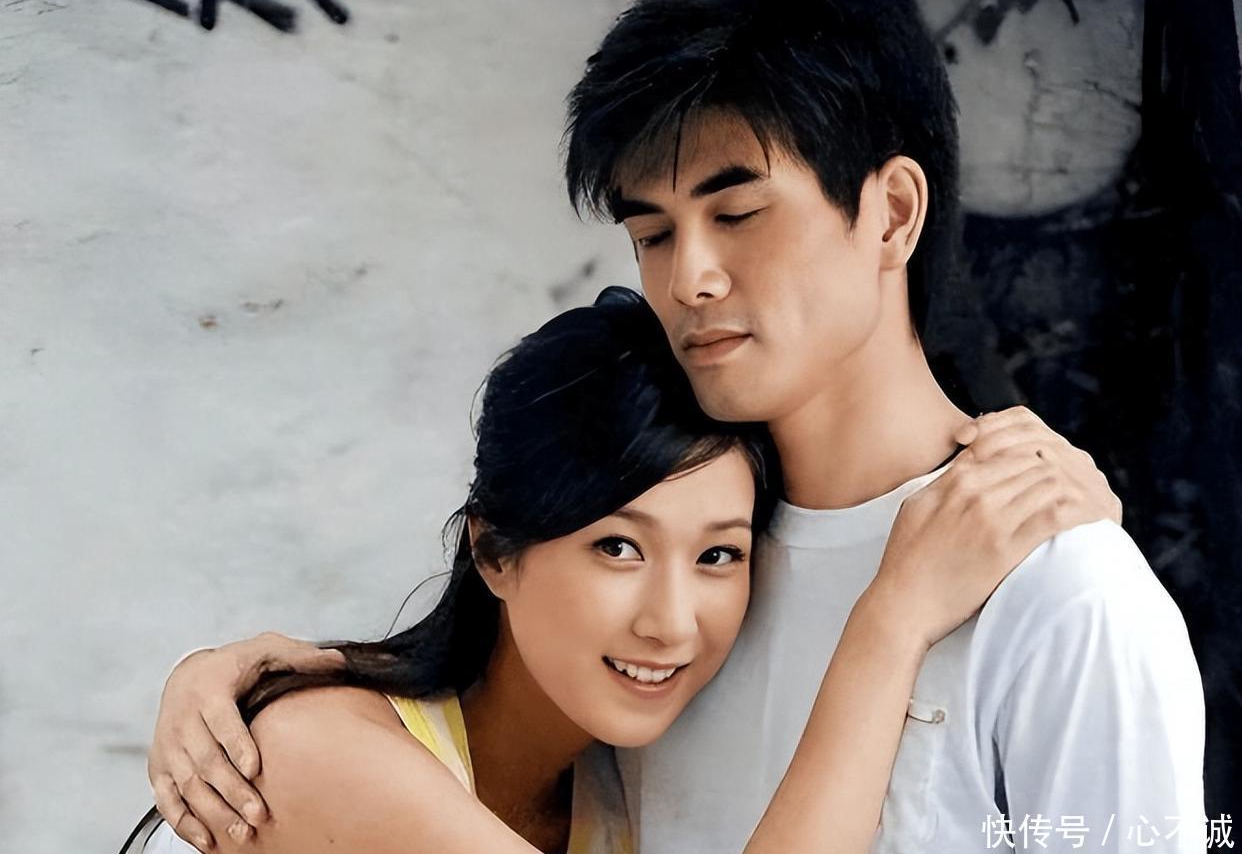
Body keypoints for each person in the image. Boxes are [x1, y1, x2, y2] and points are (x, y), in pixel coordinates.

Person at [147, 0, 1206, 851]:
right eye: (652, 234)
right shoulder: (692, 573)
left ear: (891, 213)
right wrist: (256, 686)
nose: (689, 278)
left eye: (737, 213)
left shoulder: (1061, 597)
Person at [127, 287, 1113, 854]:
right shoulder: (316, 752)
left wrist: (1057, 513)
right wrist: (889, 624)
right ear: (494, 551)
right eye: (617, 547)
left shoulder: (611, 791)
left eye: (718, 554)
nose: (671, 622)